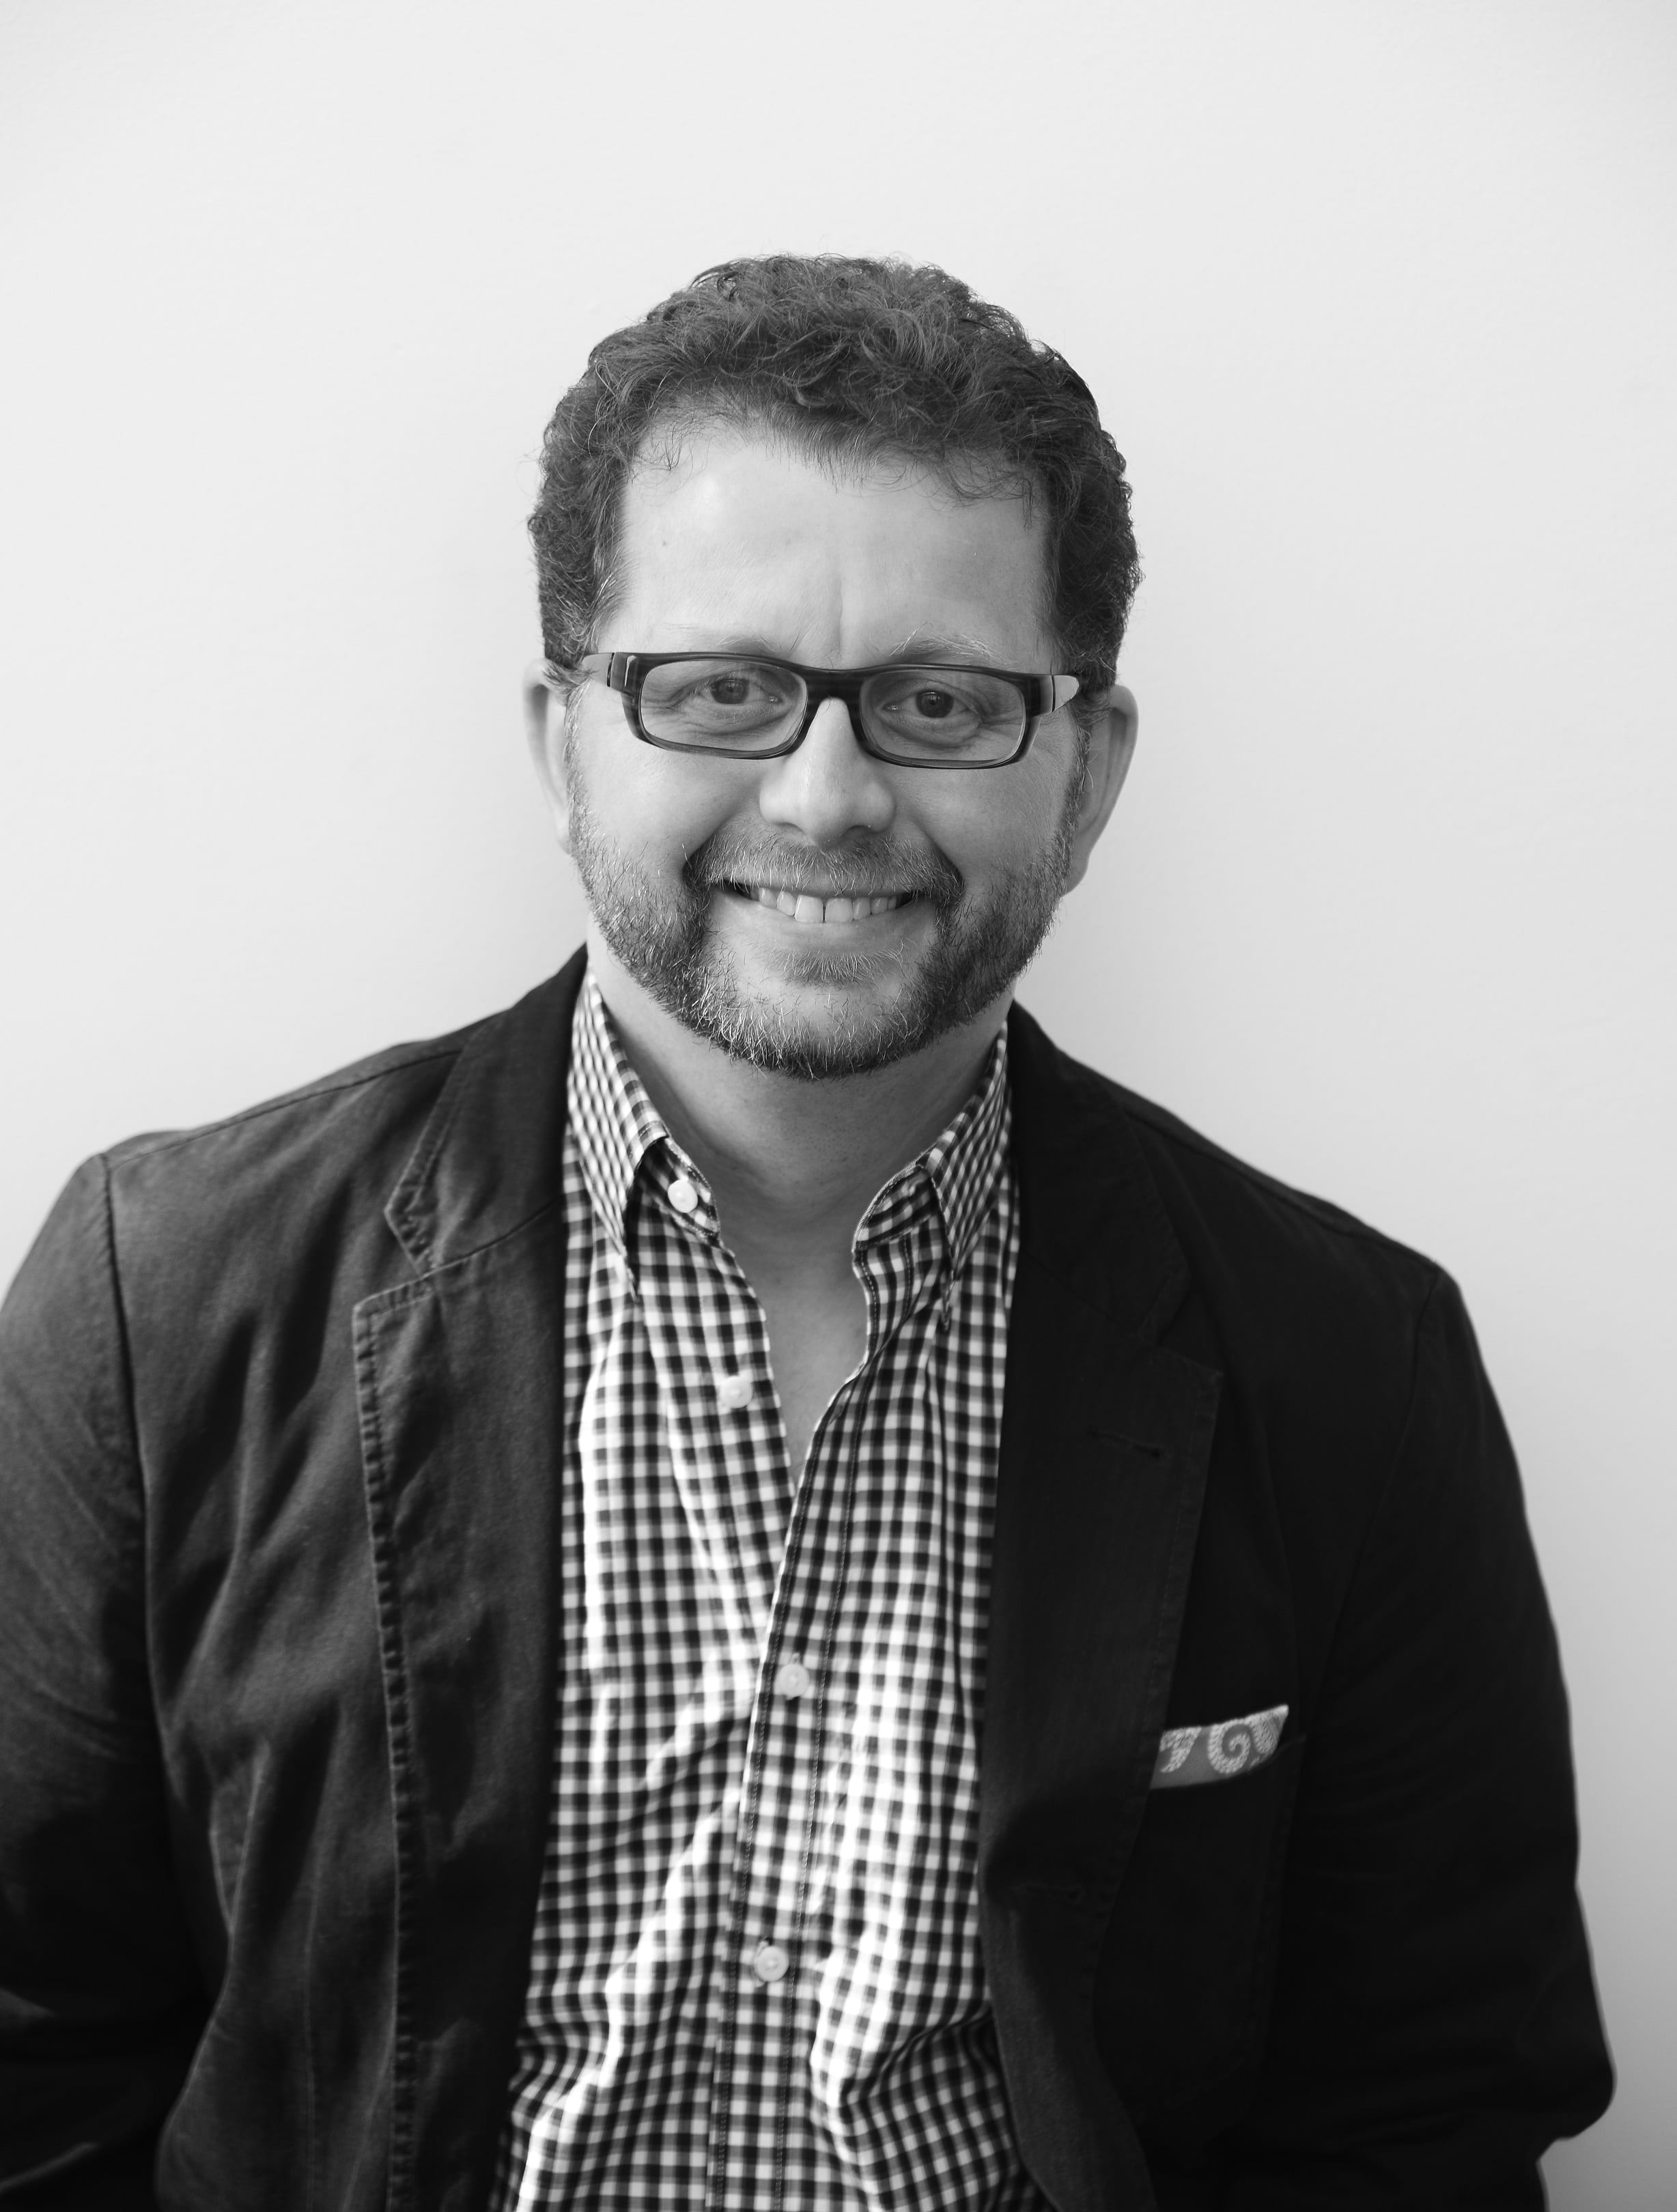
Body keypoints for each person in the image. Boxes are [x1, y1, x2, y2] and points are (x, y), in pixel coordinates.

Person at [0, 255, 1611, 2211]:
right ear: (562, 740)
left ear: (1089, 771)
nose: (828, 796)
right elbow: (33, 2059)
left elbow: (1425, 2124)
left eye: (939, 700)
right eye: (721, 690)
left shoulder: (1355, 1368)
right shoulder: (158, 1294)